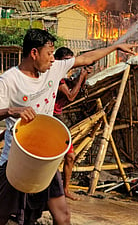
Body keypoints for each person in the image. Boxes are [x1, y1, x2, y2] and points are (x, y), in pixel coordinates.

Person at [0, 29, 136, 225]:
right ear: (34, 53)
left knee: (63, 216)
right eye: (49, 53)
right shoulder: (9, 80)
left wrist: (116, 47)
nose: (52, 59)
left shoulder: (53, 69)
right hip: (16, 161)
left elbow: (86, 58)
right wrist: (10, 111)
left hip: (45, 161)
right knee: (0, 218)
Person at [53, 47, 92, 201]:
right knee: (65, 156)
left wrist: (81, 77)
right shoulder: (57, 77)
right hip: (52, 119)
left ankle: (65, 189)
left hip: (58, 119)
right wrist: (81, 76)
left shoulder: (64, 78)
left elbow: (76, 89)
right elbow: (70, 96)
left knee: (70, 156)